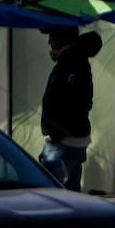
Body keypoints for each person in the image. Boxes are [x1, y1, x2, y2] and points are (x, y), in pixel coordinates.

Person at [39, 26, 103, 191]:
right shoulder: (76, 61)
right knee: (71, 197)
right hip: (74, 140)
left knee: (51, 194)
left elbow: (71, 102)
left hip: (63, 142)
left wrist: (55, 133)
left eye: (52, 35)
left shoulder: (71, 63)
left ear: (64, 37)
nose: (49, 42)